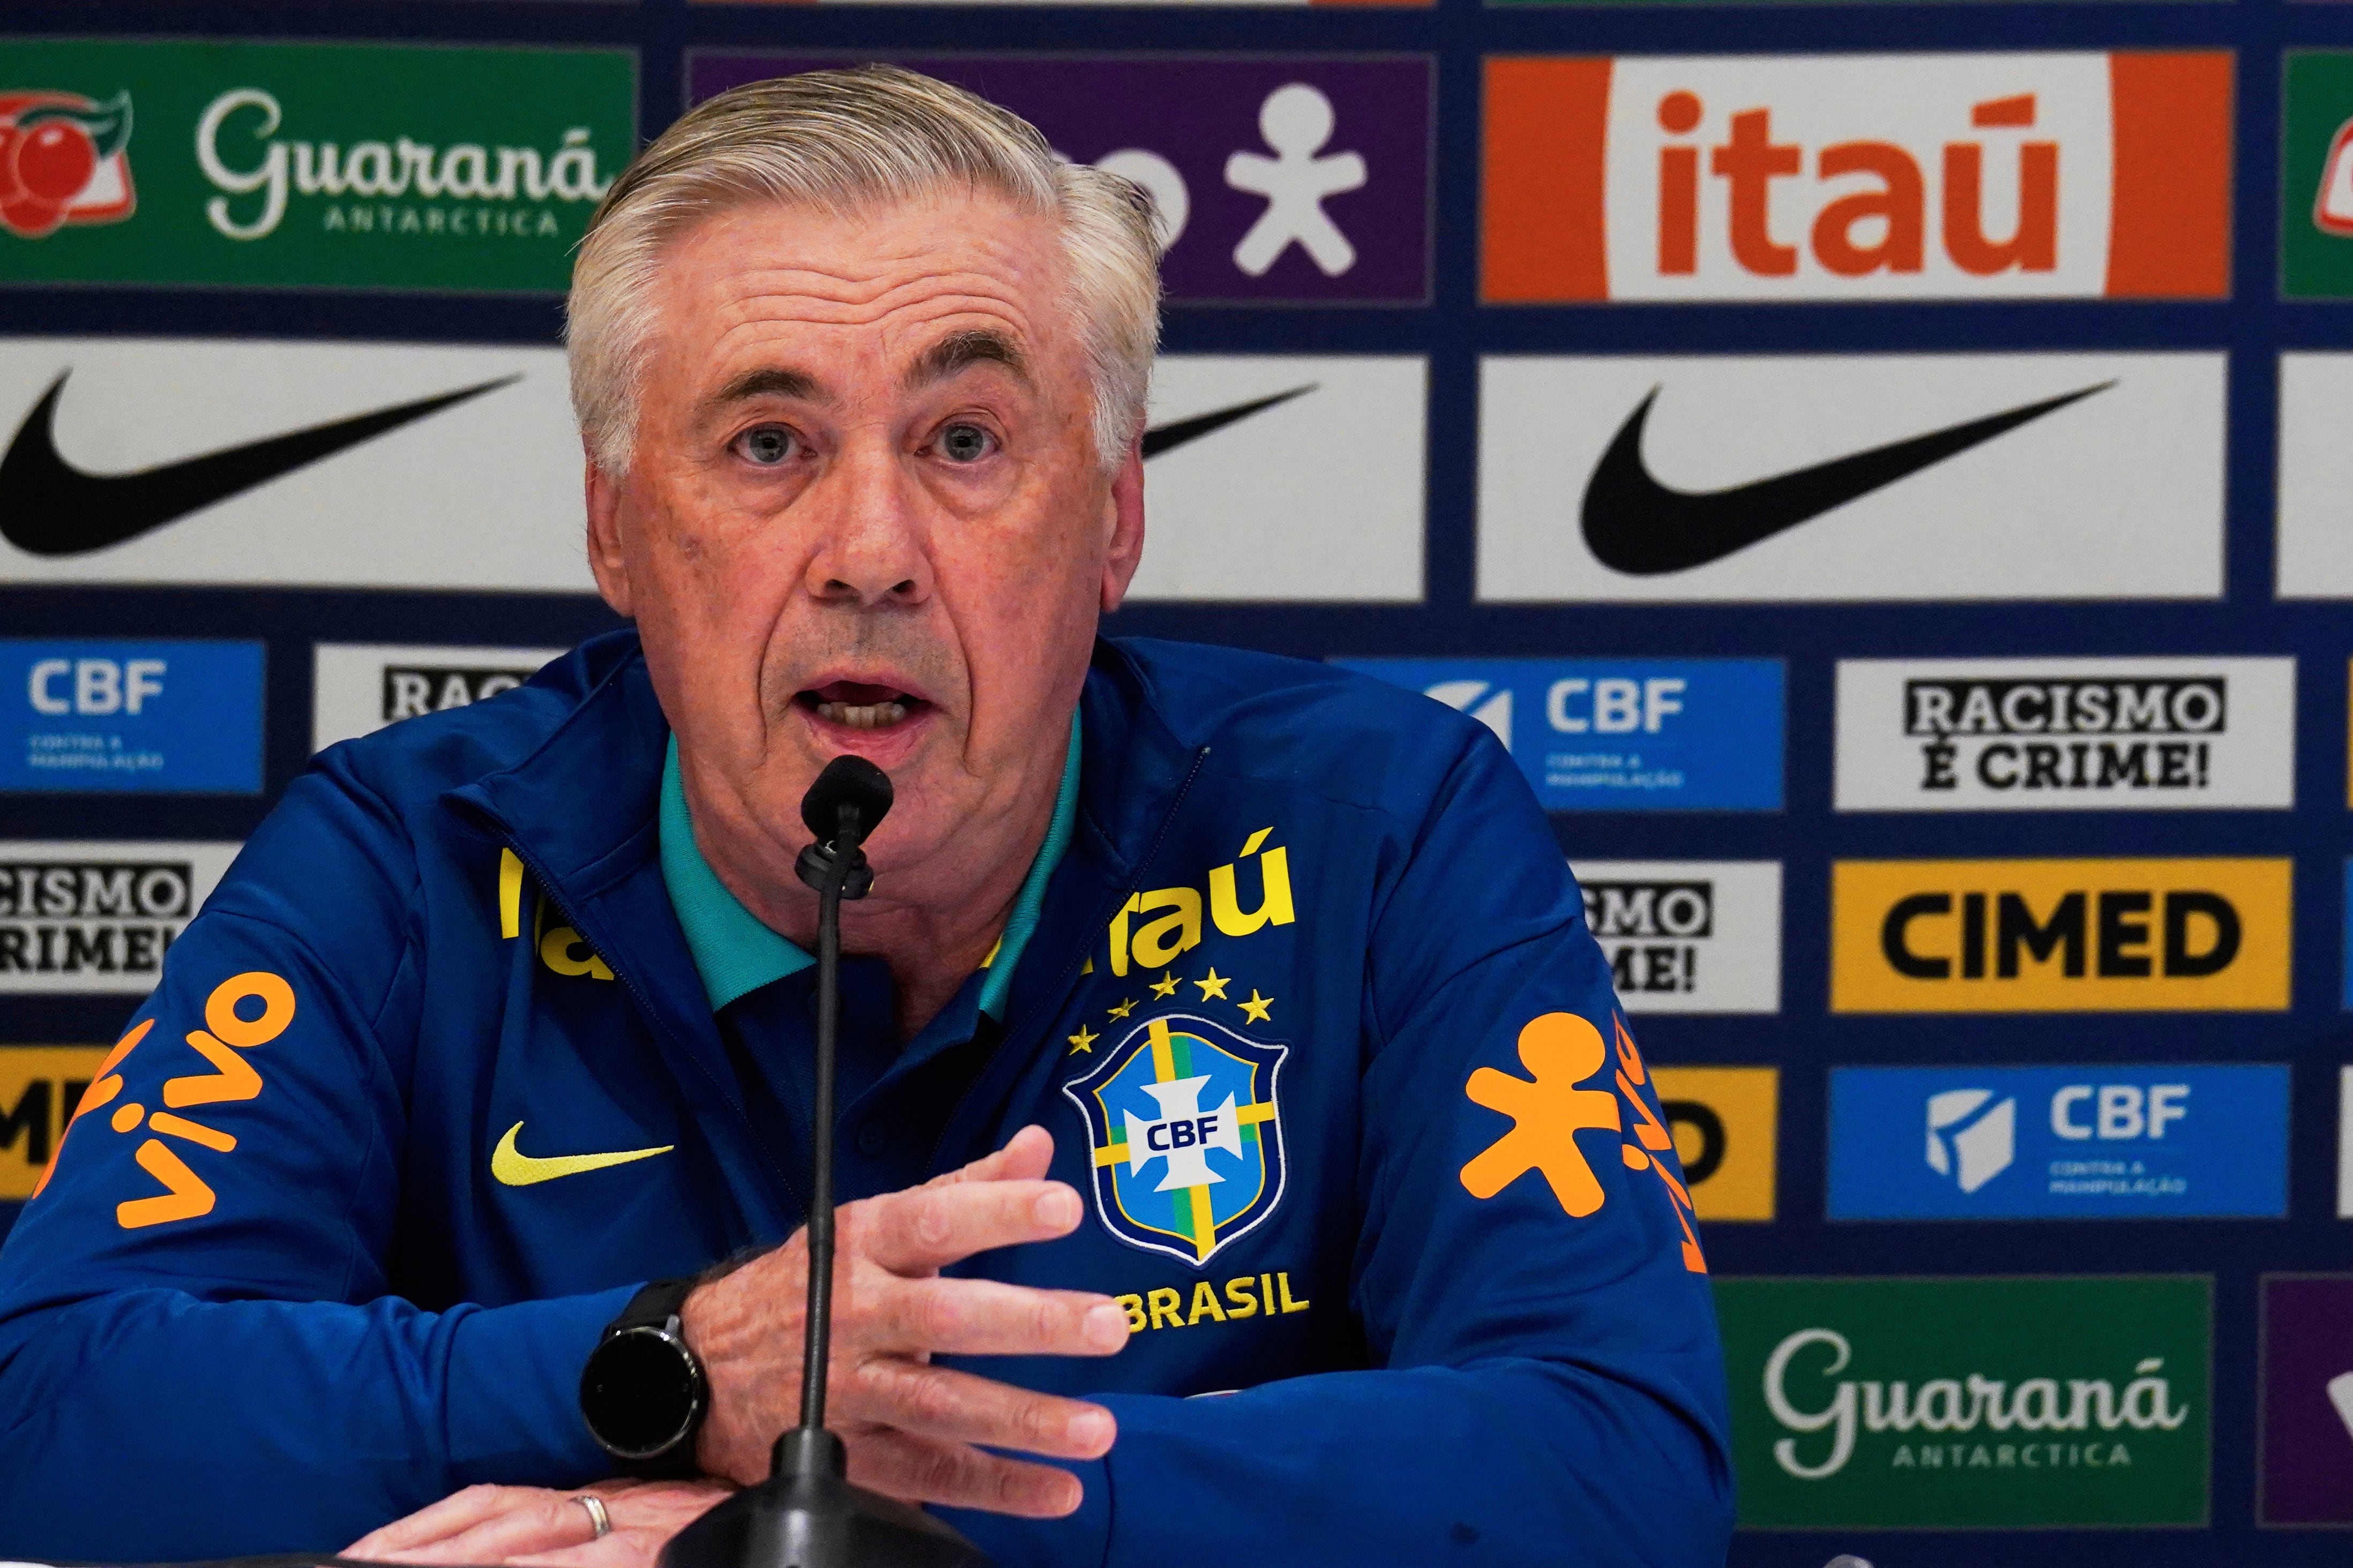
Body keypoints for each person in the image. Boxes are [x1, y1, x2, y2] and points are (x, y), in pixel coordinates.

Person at [0, 67, 1733, 1567]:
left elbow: (1618, 1462)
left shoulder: (1381, 831)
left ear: (1115, 522)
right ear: (616, 535)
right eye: (768, 445)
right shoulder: (412, 863)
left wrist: (870, 1517)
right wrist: (668, 1366)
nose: (870, 554)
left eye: (967, 439)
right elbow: (53, 1402)